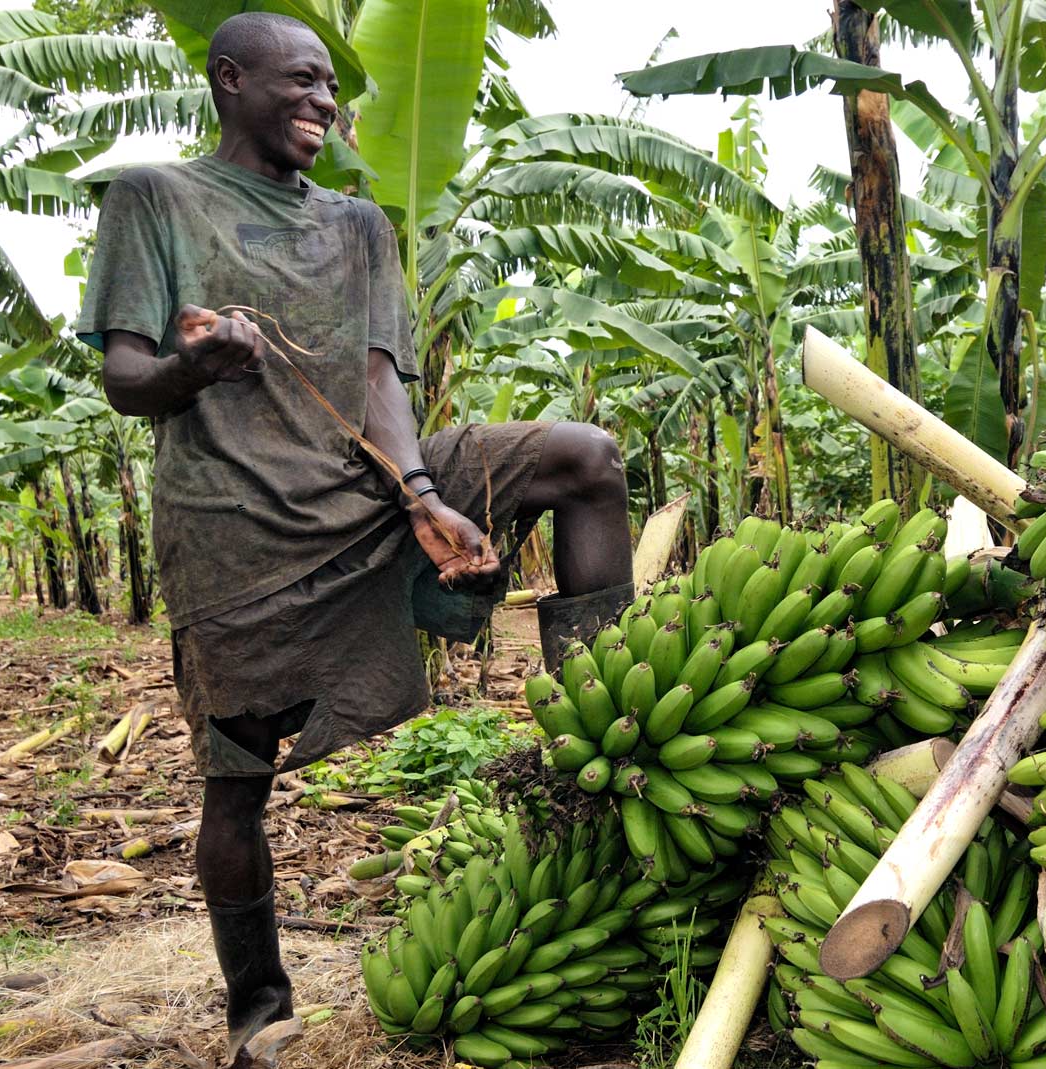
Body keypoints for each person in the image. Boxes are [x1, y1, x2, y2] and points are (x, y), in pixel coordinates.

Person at [75, 12, 633, 1067]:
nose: (324, 105)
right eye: (300, 83)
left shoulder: (359, 223)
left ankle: (608, 738)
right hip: (238, 527)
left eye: (332, 88)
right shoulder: (157, 197)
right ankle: (256, 1003)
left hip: (369, 483)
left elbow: (380, 380)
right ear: (228, 80)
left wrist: (421, 492)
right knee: (237, 777)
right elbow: (126, 380)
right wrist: (198, 365)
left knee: (585, 460)